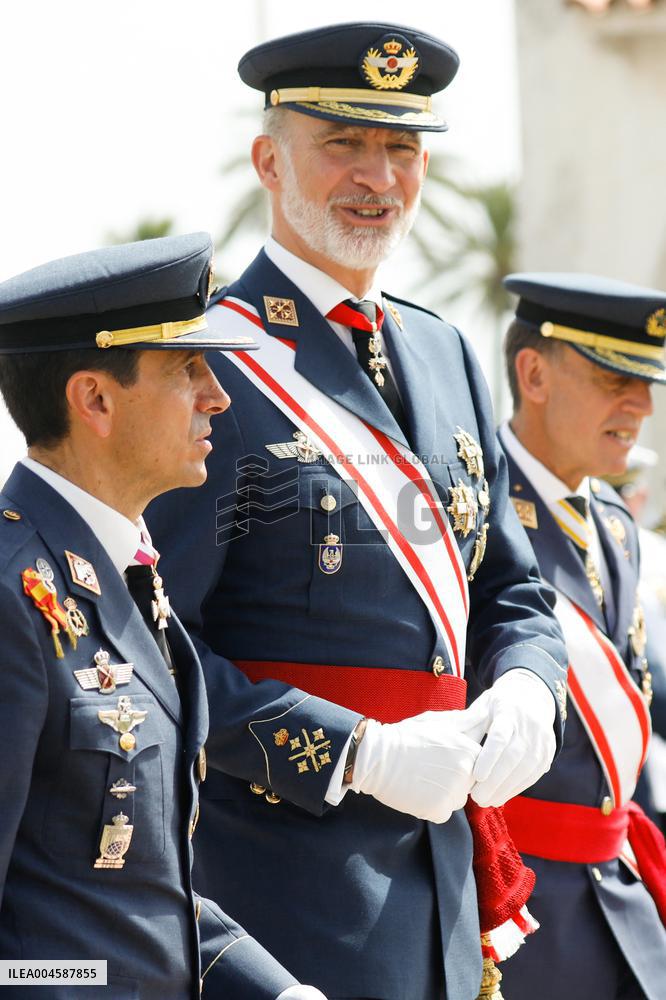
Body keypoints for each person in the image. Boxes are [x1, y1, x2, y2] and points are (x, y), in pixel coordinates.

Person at [148, 24, 568, 1000]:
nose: (378, 176)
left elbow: (510, 587)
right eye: (343, 143)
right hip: (284, 900)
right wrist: (355, 752)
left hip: (451, 894)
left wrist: (530, 689)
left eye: (404, 149)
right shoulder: (204, 363)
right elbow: (156, 644)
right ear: (268, 159)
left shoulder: (448, 352)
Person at [0, 233, 326, 1000]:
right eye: (188, 369)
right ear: (96, 399)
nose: (218, 395)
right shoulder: (15, 594)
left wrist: (280, 992)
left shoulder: (123, 573)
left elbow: (143, 890)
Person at [497, 272, 666, 1000]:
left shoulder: (618, 529)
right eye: (612, 379)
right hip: (521, 917)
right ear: (533, 373)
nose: (642, 407)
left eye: (647, 384)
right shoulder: (469, 514)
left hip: (623, 900)